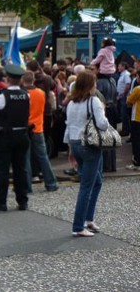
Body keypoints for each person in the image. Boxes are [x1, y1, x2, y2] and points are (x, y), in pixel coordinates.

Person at [65, 71, 108, 237]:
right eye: (94, 83)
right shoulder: (94, 101)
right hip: (90, 145)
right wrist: (103, 112)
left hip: (76, 143)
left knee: (97, 181)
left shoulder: (72, 102)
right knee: (87, 186)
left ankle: (88, 219)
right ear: (90, 85)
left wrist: (70, 149)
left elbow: (68, 126)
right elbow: (102, 125)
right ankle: (78, 226)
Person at [0, 65, 30, 212]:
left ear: (8, 79)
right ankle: (22, 201)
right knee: (20, 169)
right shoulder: (26, 94)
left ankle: (0, 202)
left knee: (3, 170)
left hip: (5, 136)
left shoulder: (1, 95)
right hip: (22, 134)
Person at [22, 72, 58, 192]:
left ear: (23, 80)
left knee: (25, 158)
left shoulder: (23, 94)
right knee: (43, 157)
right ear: (33, 80)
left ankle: (26, 186)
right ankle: (51, 183)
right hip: (38, 127)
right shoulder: (40, 93)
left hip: (26, 128)